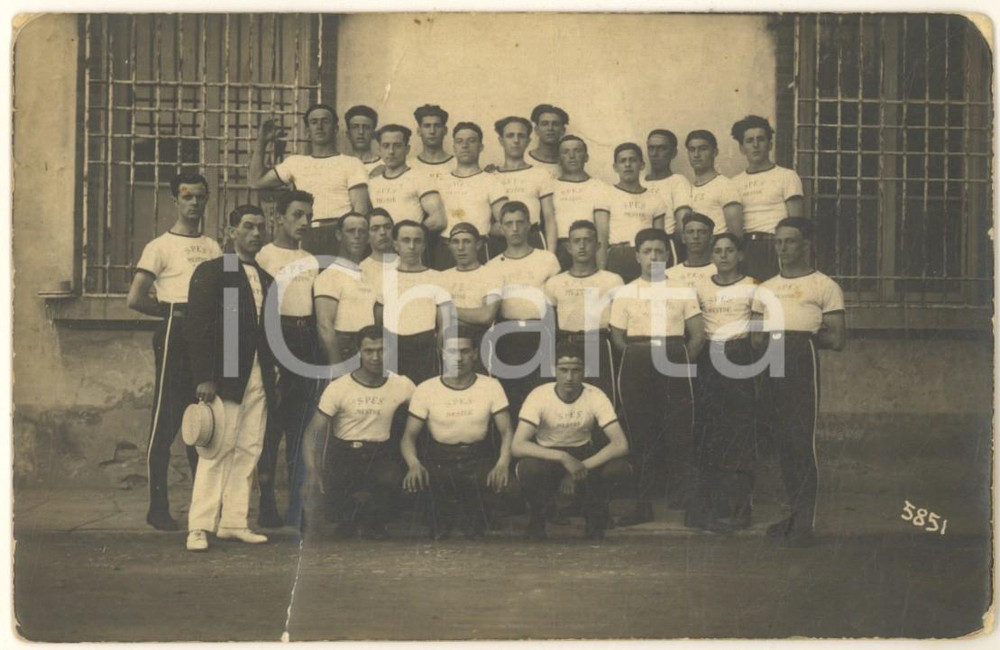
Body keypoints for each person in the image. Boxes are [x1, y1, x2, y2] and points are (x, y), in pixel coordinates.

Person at [128, 172, 222, 531]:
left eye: (200, 197)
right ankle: (158, 507)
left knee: (204, 422)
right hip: (175, 333)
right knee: (166, 421)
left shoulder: (213, 246)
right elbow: (135, 298)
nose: (194, 204)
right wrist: (171, 314)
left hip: (207, 334)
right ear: (175, 201)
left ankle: (202, 509)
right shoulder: (160, 246)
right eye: (187, 197)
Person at [184, 205, 278, 551]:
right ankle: (199, 526)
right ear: (232, 229)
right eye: (249, 227)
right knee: (217, 448)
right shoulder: (216, 270)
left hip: (259, 374)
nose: (256, 233)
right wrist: (205, 377)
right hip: (225, 376)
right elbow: (199, 327)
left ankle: (234, 521)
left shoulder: (267, 278)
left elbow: (266, 333)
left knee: (249, 448)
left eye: (260, 228)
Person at [752, 217, 845, 547]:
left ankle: (807, 520)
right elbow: (755, 337)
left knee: (801, 441)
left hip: (802, 356)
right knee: (782, 443)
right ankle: (794, 513)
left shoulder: (824, 285)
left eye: (790, 241)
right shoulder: (765, 288)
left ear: (806, 245)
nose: (783, 248)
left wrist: (798, 339)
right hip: (771, 360)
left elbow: (837, 338)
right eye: (778, 242)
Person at [610, 228, 705, 526]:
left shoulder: (683, 291)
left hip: (674, 353)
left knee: (680, 430)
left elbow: (698, 334)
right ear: (637, 255)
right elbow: (617, 336)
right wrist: (639, 356)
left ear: (668, 255)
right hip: (637, 356)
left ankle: (688, 503)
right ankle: (643, 504)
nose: (653, 257)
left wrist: (678, 361)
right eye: (647, 251)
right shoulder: (625, 292)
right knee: (641, 432)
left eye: (660, 251)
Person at [301, 326, 415, 539]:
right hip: (345, 454)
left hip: (380, 453)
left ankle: (375, 522)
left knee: (391, 480)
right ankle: (348, 520)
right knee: (338, 509)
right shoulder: (340, 387)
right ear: (358, 352)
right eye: (369, 351)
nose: (375, 357)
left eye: (381, 350)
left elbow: (426, 412)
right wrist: (312, 470)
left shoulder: (403, 385)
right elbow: (311, 433)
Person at [400, 329, 514, 539]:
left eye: (464, 351)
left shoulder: (491, 386)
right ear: (442, 353)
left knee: (481, 525)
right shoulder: (426, 388)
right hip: (440, 458)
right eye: (452, 351)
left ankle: (476, 518)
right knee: (437, 528)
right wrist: (414, 464)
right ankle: (442, 519)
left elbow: (507, 432)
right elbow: (408, 437)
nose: (459, 358)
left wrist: (502, 464)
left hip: (477, 457)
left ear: (474, 354)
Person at [512, 341, 631, 540]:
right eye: (563, 370)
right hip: (548, 455)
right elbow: (517, 445)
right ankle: (538, 517)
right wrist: (562, 457)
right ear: (554, 370)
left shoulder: (595, 395)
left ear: (584, 371)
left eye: (576, 370)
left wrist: (579, 466)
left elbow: (620, 444)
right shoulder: (539, 395)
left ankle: (594, 515)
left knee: (618, 468)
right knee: (528, 468)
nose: (569, 377)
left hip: (582, 453)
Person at [254, 190, 320, 529]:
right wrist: (272, 359)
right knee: (271, 428)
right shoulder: (263, 256)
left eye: (308, 215)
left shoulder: (310, 259)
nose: (304, 222)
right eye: (297, 215)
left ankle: (299, 506)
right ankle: (266, 503)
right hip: (274, 338)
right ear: (278, 217)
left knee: (302, 428)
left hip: (304, 339)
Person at [686, 233, 757, 533]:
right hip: (708, 357)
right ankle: (711, 507)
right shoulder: (701, 288)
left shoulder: (752, 286)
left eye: (730, 250)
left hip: (739, 355)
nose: (723, 255)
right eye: (718, 251)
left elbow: (757, 331)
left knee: (739, 431)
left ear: (740, 255)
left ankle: (741, 507)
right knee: (708, 431)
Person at [249, 104, 371, 256]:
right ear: (307, 131)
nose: (319, 126)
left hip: (339, 234)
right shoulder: (296, 163)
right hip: (307, 232)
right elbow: (255, 181)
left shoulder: (351, 163)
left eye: (325, 121)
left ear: (335, 129)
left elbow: (360, 209)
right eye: (314, 122)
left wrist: (350, 240)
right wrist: (262, 141)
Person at [485, 201, 562, 419]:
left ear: (529, 224)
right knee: (510, 395)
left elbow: (554, 303)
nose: (515, 228)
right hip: (507, 335)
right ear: (501, 227)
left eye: (520, 222)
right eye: (508, 224)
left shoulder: (547, 259)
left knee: (541, 392)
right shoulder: (493, 266)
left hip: (540, 332)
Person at [544, 220, 623, 404]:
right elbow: (549, 326)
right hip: (566, 347)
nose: (582, 246)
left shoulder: (613, 281)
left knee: (603, 401)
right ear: (568, 247)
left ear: (597, 246)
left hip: (600, 345)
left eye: (587, 241)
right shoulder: (555, 283)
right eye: (576, 241)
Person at [374, 220, 452, 385]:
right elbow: (378, 318)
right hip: (392, 348)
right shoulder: (385, 277)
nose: (411, 246)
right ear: (395, 244)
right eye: (405, 240)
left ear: (424, 245)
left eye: (417, 241)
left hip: (424, 349)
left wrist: (439, 349)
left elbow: (444, 321)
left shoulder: (437, 277)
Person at [731, 115, 805, 282]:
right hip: (747, 247)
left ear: (770, 144)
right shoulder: (734, 183)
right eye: (749, 141)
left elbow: (797, 223)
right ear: (742, 148)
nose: (756, 145)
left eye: (761, 139)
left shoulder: (786, 176)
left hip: (777, 246)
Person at [431, 121, 508, 270]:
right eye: (459, 141)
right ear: (454, 148)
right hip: (446, 249)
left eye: (471, 141)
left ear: (481, 147)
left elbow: (504, 222)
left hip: (478, 249)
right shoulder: (440, 181)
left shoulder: (491, 181)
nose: (465, 145)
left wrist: (485, 232)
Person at [314, 212, 377, 371]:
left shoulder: (368, 275)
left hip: (370, 350)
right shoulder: (330, 275)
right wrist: (337, 368)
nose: (357, 236)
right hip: (345, 350)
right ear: (339, 235)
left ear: (368, 237)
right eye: (351, 231)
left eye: (362, 231)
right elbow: (324, 326)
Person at [490, 116, 558, 253]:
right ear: (501, 141)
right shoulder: (491, 177)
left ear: (528, 141)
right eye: (510, 136)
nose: (516, 141)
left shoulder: (540, 174)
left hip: (532, 239)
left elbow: (550, 219)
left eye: (521, 136)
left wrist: (551, 255)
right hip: (501, 243)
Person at [368, 124, 447, 236]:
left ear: (407, 149)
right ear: (379, 150)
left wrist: (408, 236)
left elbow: (438, 220)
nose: (391, 151)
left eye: (397, 146)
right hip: (383, 248)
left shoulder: (420, 178)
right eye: (386, 146)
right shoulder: (373, 182)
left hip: (409, 247)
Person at [606, 143, 669, 284]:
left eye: (633, 160)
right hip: (617, 255)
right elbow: (601, 237)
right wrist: (601, 273)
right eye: (623, 161)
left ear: (642, 165)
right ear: (615, 167)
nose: (628, 165)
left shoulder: (655, 199)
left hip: (645, 256)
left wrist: (658, 278)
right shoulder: (607, 194)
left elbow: (659, 240)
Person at [551, 135, 611, 271]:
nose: (572, 156)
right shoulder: (551, 186)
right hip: (560, 249)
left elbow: (602, 231)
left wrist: (601, 268)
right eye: (566, 152)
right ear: (559, 159)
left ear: (586, 157)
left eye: (577, 151)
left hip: (588, 248)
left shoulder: (599, 186)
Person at [438, 222, 502, 342]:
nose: (461, 247)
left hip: (479, 342)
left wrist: (450, 310)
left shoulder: (491, 275)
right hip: (449, 342)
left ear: (478, 245)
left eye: (467, 241)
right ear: (450, 246)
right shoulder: (442, 277)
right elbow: (441, 322)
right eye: (455, 242)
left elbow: (486, 316)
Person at [644, 129, 693, 254]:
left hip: (664, 246)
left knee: (658, 274)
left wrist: (670, 248)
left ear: (673, 153)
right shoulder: (639, 182)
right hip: (640, 246)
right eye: (651, 148)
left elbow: (682, 221)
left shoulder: (678, 181)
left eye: (661, 149)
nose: (655, 154)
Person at [686, 129, 742, 235]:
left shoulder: (725, 185)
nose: (696, 154)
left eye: (703, 149)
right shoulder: (687, 188)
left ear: (715, 152)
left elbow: (736, 234)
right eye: (692, 150)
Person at [667, 213, 718, 288]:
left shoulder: (720, 272)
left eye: (701, 232)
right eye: (690, 232)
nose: (695, 236)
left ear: (711, 238)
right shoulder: (670, 274)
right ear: (683, 238)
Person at [410, 104, 455, 186]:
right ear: (419, 131)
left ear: (445, 130)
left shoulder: (457, 164)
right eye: (427, 126)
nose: (432, 131)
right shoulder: (408, 166)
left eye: (437, 126)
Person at [359, 208, 397, 293]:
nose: (383, 232)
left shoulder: (408, 263)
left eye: (387, 227)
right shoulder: (361, 271)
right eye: (375, 228)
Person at [527, 103, 569, 177]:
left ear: (563, 130)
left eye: (555, 124)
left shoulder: (569, 164)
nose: (550, 128)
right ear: (536, 130)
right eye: (544, 124)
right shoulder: (524, 160)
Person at [344, 104, 383, 175]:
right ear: (348, 134)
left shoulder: (385, 166)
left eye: (366, 127)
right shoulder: (340, 165)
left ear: (373, 134)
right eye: (355, 127)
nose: (361, 132)